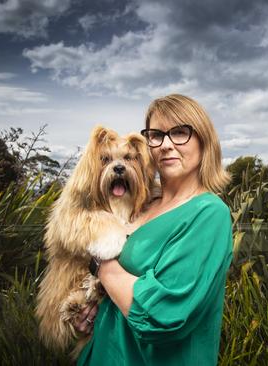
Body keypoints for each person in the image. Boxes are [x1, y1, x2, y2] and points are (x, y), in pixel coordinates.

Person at [75, 94, 233, 365]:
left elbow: (162, 317)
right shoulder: (143, 205)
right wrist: (88, 310)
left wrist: (101, 264)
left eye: (180, 132)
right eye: (157, 135)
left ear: (204, 141)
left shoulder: (208, 213)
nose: (166, 145)